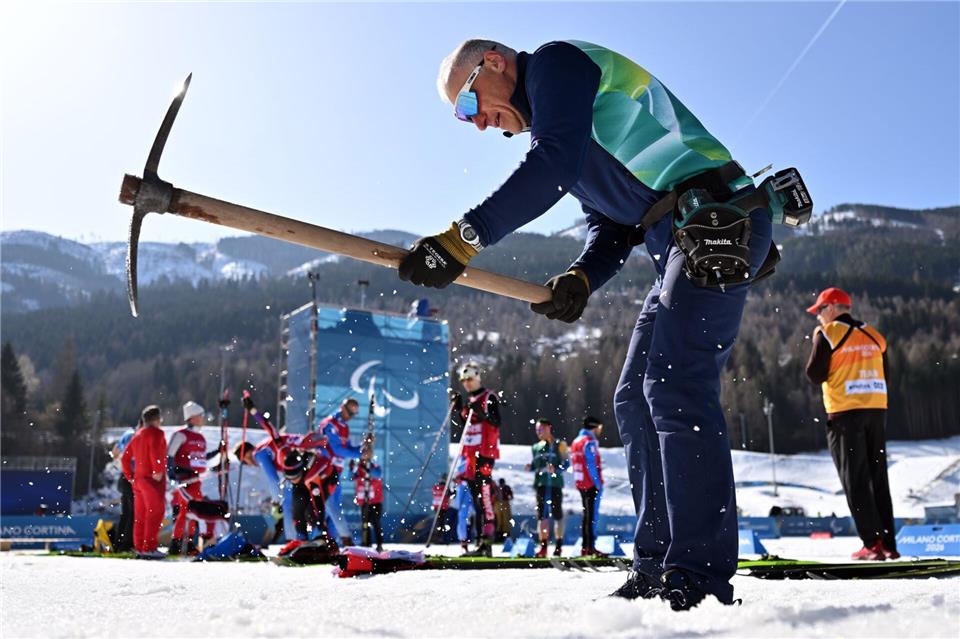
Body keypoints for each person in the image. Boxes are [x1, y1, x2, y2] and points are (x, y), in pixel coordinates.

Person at [400, 38, 777, 610]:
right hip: (676, 242)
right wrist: (581, 276)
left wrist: (463, 239)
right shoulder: (561, 126)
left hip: (718, 221)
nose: (476, 123)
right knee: (634, 397)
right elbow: (611, 229)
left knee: (675, 385)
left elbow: (551, 163)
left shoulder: (556, 65)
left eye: (469, 103)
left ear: (494, 62)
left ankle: (699, 573)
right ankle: (656, 564)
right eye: (463, 117)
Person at [804, 287, 898, 561]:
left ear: (832, 307)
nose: (818, 316)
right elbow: (886, 375)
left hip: (845, 414)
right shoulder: (874, 335)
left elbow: (814, 374)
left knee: (854, 479)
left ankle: (872, 544)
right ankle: (888, 544)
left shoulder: (828, 333)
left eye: (820, 310)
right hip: (876, 411)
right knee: (878, 478)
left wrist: (819, 341)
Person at [450, 362, 502, 557]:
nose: (467, 383)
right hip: (470, 457)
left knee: (484, 498)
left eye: (470, 379)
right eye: (464, 380)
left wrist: (482, 413)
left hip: (484, 455)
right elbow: (466, 425)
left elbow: (496, 421)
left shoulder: (488, 397)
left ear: (478, 378)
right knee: (477, 501)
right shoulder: (470, 400)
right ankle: (480, 542)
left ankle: (486, 543)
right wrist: (459, 408)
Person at [318, 398, 368, 546]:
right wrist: (360, 454)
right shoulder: (330, 424)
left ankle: (332, 542)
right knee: (328, 506)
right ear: (342, 407)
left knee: (335, 507)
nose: (350, 417)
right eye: (349, 413)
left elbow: (349, 449)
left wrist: (364, 447)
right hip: (325, 471)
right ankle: (324, 540)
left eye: (353, 414)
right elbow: (337, 449)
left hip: (337, 472)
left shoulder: (344, 426)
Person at [121, 405, 167, 559]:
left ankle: (140, 547)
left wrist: (130, 476)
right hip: (152, 480)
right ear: (157, 419)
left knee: (140, 515)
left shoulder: (138, 435)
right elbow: (155, 450)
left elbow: (125, 458)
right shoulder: (156, 433)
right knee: (155, 513)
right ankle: (149, 547)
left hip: (138, 480)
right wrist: (157, 470)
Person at [166, 401, 212, 554]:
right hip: (184, 480)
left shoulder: (201, 438)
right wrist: (172, 476)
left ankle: (190, 542)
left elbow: (200, 459)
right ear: (192, 417)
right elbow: (169, 456)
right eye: (200, 416)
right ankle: (176, 543)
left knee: (194, 511)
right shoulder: (181, 435)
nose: (203, 418)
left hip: (196, 481)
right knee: (185, 510)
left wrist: (219, 451)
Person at [525, 418, 568, 557]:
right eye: (537, 430)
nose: (539, 432)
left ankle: (559, 546)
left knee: (557, 515)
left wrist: (556, 469)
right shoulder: (535, 447)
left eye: (541, 429)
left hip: (555, 485)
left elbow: (566, 464)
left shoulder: (560, 444)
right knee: (542, 516)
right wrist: (531, 467)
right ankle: (543, 547)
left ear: (549, 428)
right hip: (541, 485)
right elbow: (535, 464)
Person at [571, 417, 605, 556]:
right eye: (599, 428)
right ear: (594, 427)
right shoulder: (589, 441)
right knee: (591, 515)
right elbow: (591, 464)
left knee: (586, 515)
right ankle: (590, 547)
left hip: (580, 482)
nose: (600, 431)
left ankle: (585, 546)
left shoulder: (576, 441)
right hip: (590, 483)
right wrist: (597, 483)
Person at [110, 418, 140, 552]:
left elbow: (115, 451)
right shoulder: (136, 436)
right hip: (131, 477)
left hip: (123, 476)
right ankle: (127, 544)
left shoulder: (127, 433)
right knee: (133, 513)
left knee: (126, 513)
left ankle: (119, 544)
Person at [351, 458, 385, 551]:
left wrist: (367, 470)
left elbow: (378, 475)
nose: (364, 462)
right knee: (365, 524)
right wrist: (353, 468)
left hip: (376, 502)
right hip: (364, 502)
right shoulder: (358, 469)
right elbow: (352, 476)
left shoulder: (376, 468)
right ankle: (366, 543)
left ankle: (379, 544)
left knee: (376, 523)